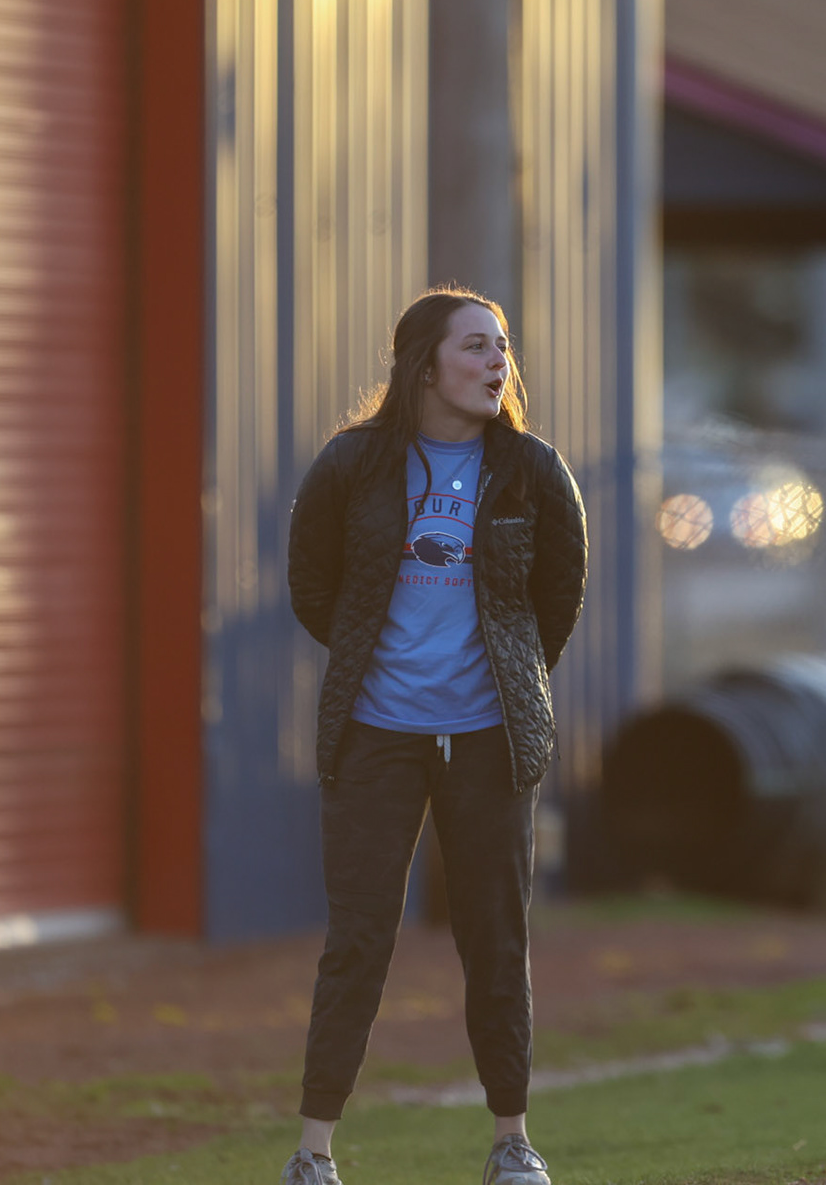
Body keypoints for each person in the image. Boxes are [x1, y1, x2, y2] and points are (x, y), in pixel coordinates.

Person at [279, 286, 587, 1185]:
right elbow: (313, 589)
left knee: (496, 939)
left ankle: (511, 1144)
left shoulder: (532, 469)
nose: (497, 362)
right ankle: (312, 1155)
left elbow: (555, 605)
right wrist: (389, 663)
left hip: (489, 741)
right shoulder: (349, 466)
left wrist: (504, 684)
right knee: (358, 942)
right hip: (376, 737)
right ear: (423, 364)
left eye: (502, 347)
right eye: (475, 347)